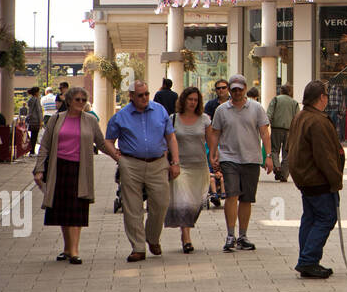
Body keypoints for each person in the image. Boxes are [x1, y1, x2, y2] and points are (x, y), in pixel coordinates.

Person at [34, 86, 118, 264]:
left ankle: (74, 250)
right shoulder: (56, 119)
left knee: (77, 209)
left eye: (83, 100)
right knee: (64, 210)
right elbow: (45, 146)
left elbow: (101, 143)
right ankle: (67, 248)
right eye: (77, 99)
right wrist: (39, 169)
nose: (81, 103)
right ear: (69, 101)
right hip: (59, 168)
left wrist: (117, 156)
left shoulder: (90, 120)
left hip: (80, 169)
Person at [104, 80, 180, 262]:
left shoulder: (160, 110)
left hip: (158, 163)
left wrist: (175, 161)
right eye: (140, 95)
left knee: (161, 204)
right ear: (131, 96)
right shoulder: (120, 116)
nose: (145, 98)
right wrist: (119, 159)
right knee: (132, 207)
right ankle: (138, 247)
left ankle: (152, 237)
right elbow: (108, 141)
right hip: (131, 164)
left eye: (146, 93)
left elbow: (171, 137)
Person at [206, 73, 272, 252]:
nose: (236, 93)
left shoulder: (256, 108)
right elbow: (215, 133)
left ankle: (242, 235)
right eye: (233, 89)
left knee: (246, 199)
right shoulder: (221, 110)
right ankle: (230, 235)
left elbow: (265, 132)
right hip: (229, 158)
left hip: (251, 158)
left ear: (244, 89)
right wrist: (213, 154)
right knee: (231, 195)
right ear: (229, 90)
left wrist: (269, 156)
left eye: (239, 89)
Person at [287, 80, 345, 278]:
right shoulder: (317, 120)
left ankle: (307, 259)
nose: (328, 98)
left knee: (310, 218)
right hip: (317, 178)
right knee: (326, 217)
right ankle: (308, 260)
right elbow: (325, 155)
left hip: (305, 178)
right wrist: (336, 180)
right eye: (326, 95)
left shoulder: (301, 116)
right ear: (321, 97)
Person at [164, 86, 211, 253]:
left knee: (196, 203)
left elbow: (211, 142)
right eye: (190, 99)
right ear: (183, 100)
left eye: (195, 100)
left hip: (199, 166)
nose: (192, 103)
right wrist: (169, 162)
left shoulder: (205, 119)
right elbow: (167, 141)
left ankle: (186, 229)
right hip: (180, 166)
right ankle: (186, 237)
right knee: (184, 202)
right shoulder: (173, 118)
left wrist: (215, 158)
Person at [267, 84, 299, 182]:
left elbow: (269, 114)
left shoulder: (276, 99)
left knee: (274, 149)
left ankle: (277, 167)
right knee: (287, 152)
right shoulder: (294, 103)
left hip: (276, 128)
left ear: (281, 91)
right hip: (289, 130)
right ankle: (284, 174)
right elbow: (297, 117)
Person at [24, 87, 43, 157]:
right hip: (36, 120)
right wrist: (41, 120)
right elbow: (38, 110)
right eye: (38, 92)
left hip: (31, 120)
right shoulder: (36, 100)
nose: (39, 93)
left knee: (32, 136)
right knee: (35, 136)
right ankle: (32, 151)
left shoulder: (30, 100)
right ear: (36, 92)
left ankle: (31, 150)